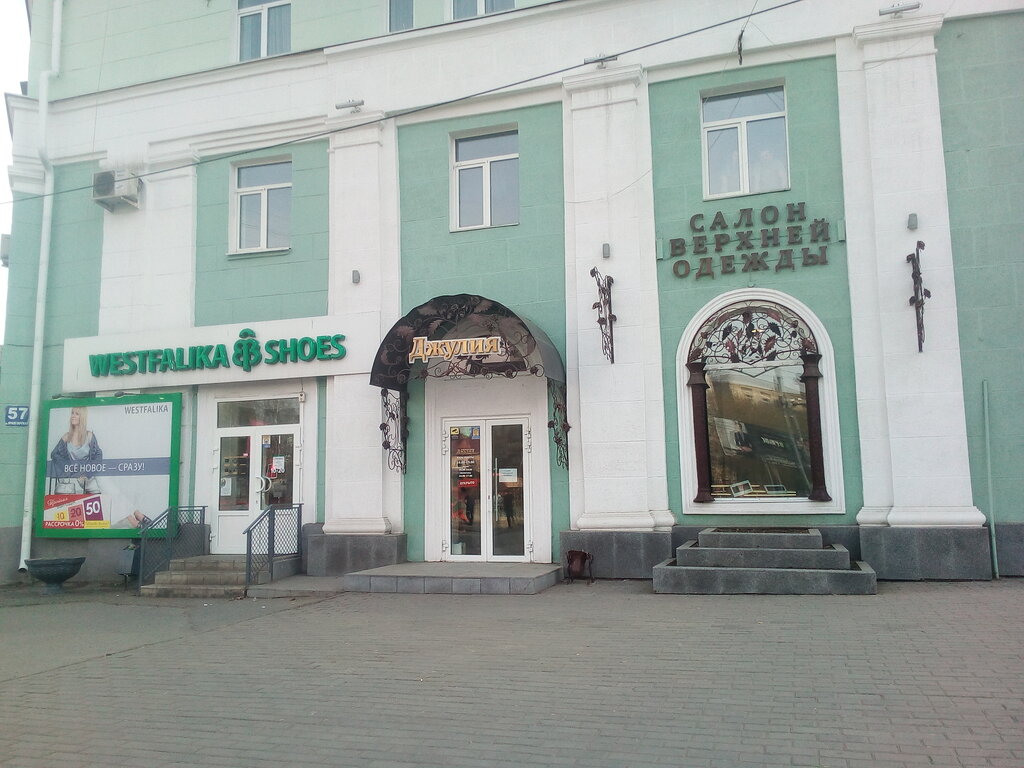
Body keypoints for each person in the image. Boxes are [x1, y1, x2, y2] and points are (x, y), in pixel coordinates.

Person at [50, 407, 102, 494]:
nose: (73, 416)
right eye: (72, 413)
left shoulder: (89, 436)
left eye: (77, 414)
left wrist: (87, 474)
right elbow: (54, 454)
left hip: (87, 478)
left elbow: (98, 456)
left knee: (101, 490)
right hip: (73, 478)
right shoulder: (66, 437)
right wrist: (67, 467)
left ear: (82, 417)